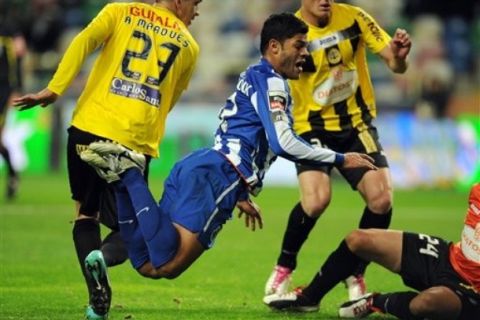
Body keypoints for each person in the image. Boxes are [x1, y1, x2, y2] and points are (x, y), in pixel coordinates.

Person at [78, 12, 378, 298]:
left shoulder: (254, 74)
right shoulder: (274, 82)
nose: (305, 54)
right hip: (220, 176)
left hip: (204, 165)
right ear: (274, 47)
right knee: (168, 264)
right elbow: (284, 142)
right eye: (299, 45)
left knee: (147, 264)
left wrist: (242, 193)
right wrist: (340, 159)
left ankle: (119, 182)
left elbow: (248, 133)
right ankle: (130, 175)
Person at [13, 1, 203, 319]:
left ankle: (97, 296)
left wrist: (55, 88)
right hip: (133, 141)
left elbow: (83, 41)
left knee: (86, 214)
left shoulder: (120, 10)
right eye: (195, 3)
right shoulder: (189, 45)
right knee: (134, 228)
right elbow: (169, 100)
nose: (196, 12)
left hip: (89, 127)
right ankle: (101, 255)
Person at [264, 0, 412, 301]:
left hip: (356, 125)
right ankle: (285, 265)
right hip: (310, 127)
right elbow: (275, 72)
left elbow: (395, 65)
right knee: (317, 200)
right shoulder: (293, 31)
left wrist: (398, 57)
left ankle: (355, 270)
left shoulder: (355, 18)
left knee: (381, 200)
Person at [264, 183, 480, 320]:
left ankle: (375, 302)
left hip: (473, 291)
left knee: (428, 303)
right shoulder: (477, 191)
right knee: (358, 239)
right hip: (448, 257)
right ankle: (309, 298)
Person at [0, 8, 26, 200]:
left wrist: (15, 87)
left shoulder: (8, 28)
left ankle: (12, 175)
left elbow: (18, 55)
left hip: (2, 90)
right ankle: (13, 174)